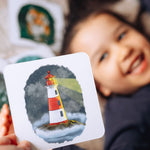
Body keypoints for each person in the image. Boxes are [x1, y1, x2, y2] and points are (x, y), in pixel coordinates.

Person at [1, 9, 150, 150]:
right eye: (103, 57)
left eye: (122, 35)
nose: (124, 51)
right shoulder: (126, 113)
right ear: (100, 86)